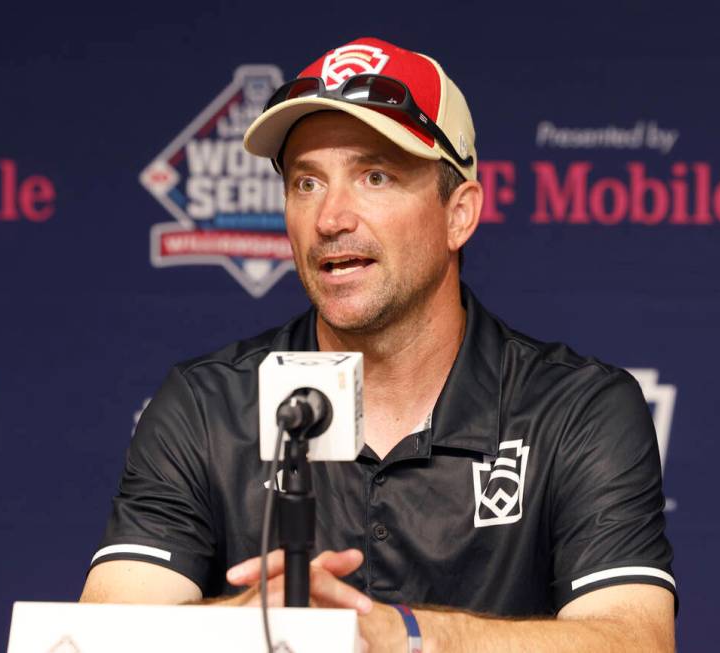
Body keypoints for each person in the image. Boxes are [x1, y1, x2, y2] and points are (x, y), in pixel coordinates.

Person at [81, 37, 676, 651]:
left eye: (375, 175)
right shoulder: (206, 406)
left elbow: (635, 640)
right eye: (306, 182)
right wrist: (251, 624)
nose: (331, 218)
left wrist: (404, 636)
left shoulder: (575, 408)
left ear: (459, 214)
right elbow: (97, 637)